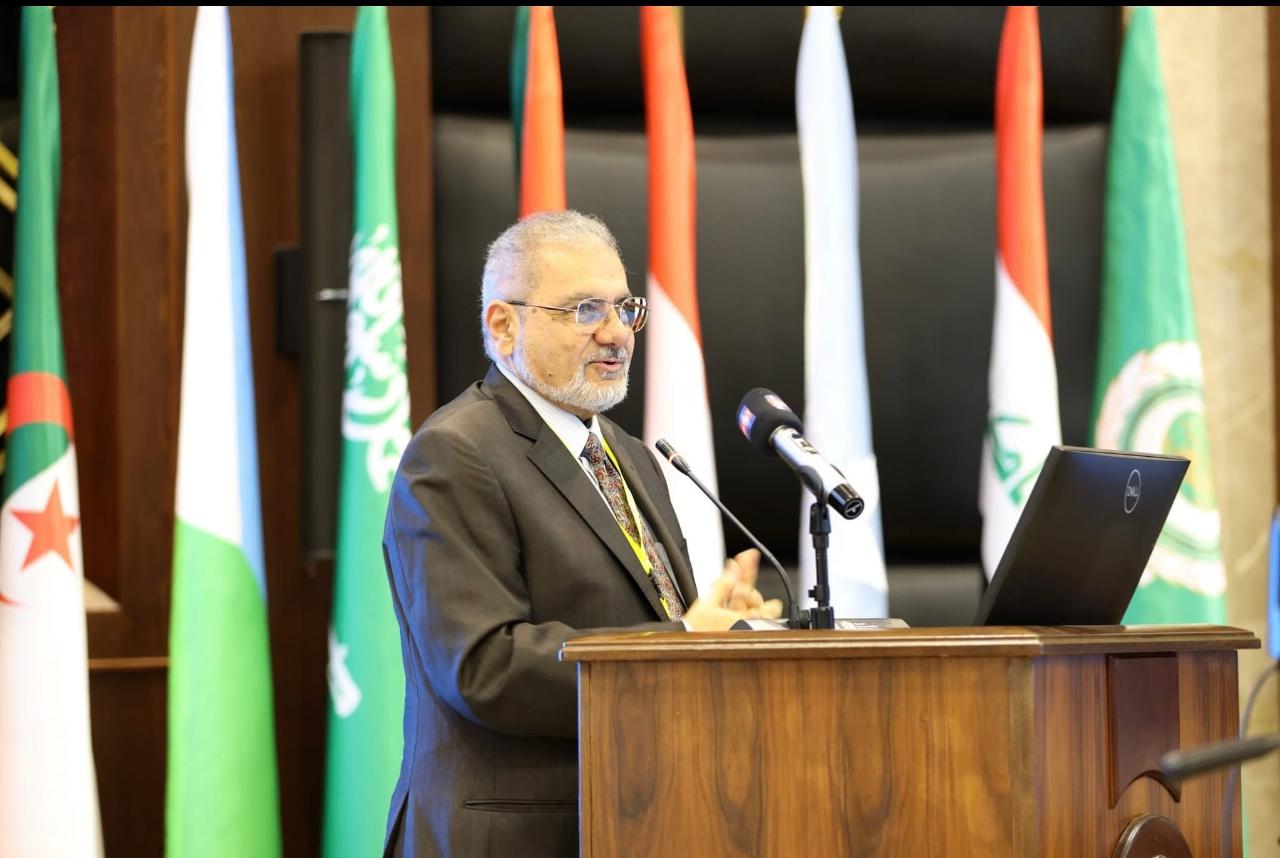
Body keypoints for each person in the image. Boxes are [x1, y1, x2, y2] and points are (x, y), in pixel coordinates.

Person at [381, 210, 781, 858]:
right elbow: (483, 666)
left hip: (636, 817)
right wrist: (682, 642)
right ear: (503, 325)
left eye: (625, 308)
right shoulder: (455, 453)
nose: (616, 332)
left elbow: (638, 618)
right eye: (585, 310)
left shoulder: (632, 455)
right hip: (513, 837)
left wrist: (711, 626)